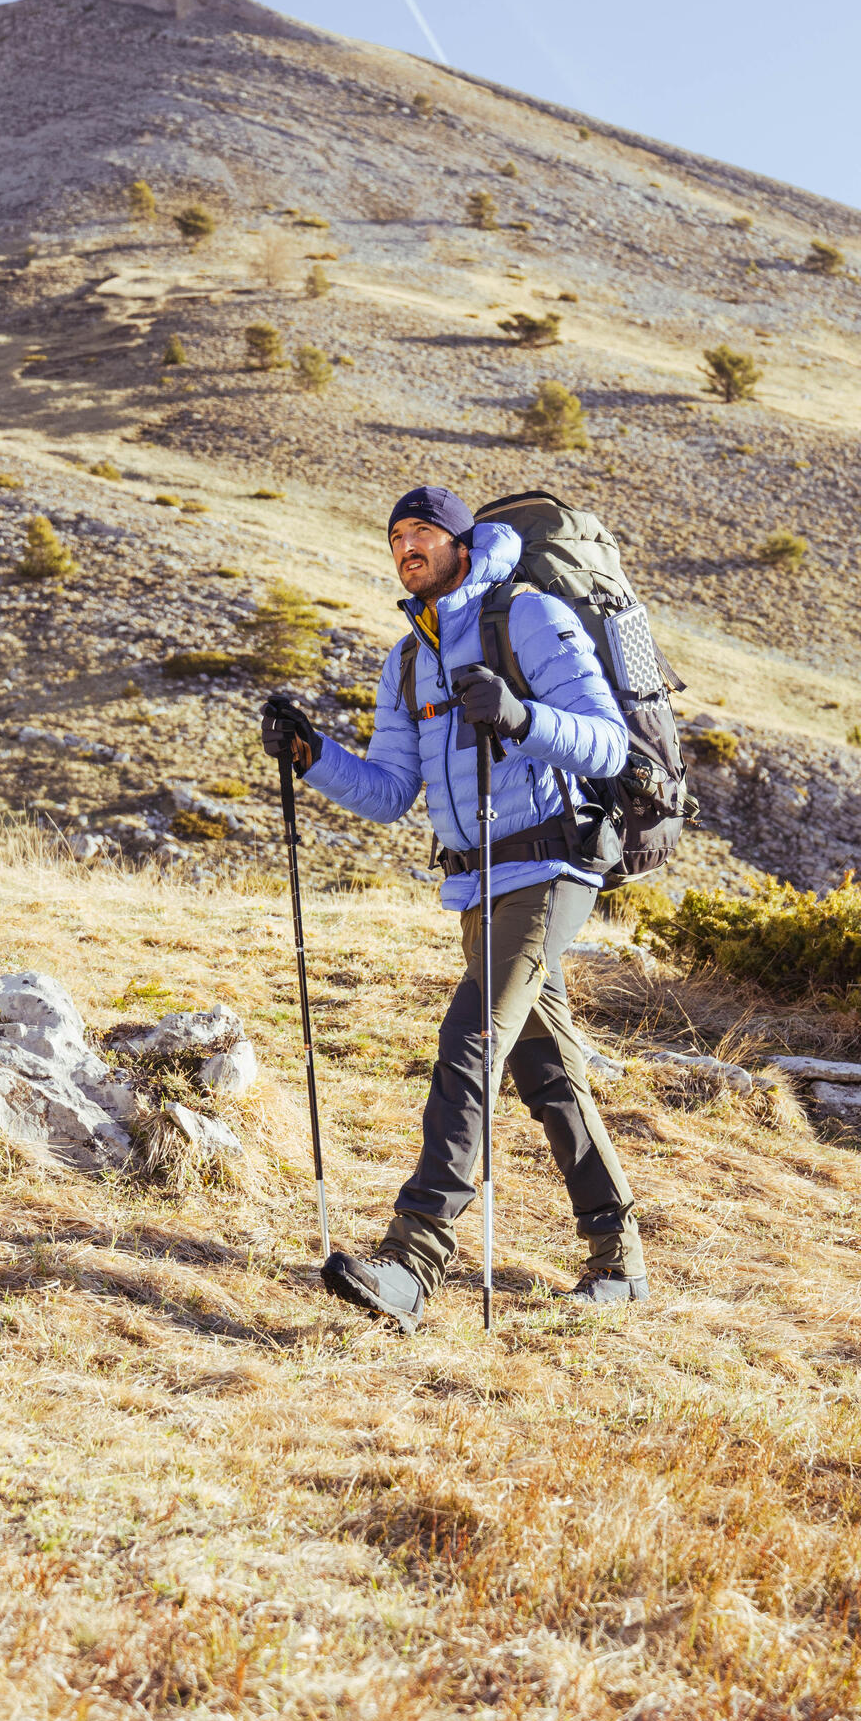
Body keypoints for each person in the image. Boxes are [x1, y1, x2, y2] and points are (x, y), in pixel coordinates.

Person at [259, 485, 645, 1331]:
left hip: (549, 866)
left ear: (462, 544)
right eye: (396, 534)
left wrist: (521, 716)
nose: (407, 545)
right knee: (547, 1071)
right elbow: (390, 791)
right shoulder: (406, 659)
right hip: (477, 886)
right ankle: (619, 1259)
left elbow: (608, 741)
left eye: (423, 532)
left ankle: (414, 1260)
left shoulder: (528, 617)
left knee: (469, 1041)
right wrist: (313, 754)